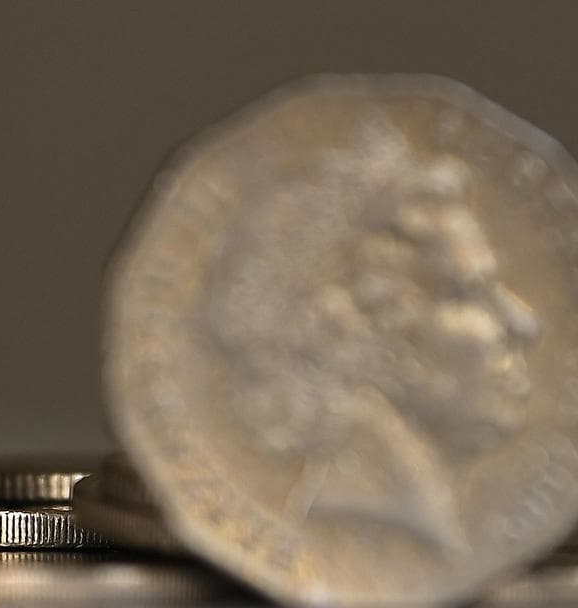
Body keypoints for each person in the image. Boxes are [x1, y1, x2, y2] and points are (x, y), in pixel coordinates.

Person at [207, 123, 538, 554]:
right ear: (388, 341)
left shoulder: (424, 499)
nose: (523, 323)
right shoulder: (369, 511)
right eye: (468, 293)